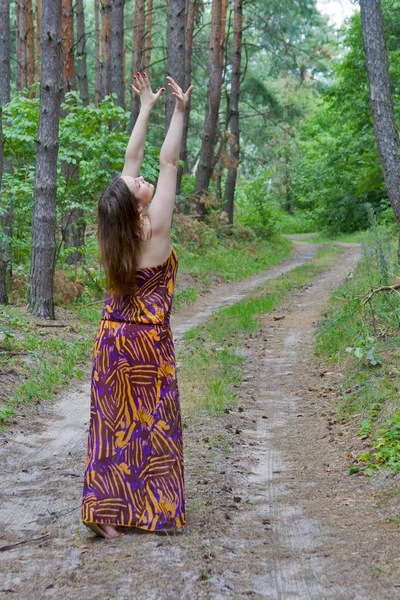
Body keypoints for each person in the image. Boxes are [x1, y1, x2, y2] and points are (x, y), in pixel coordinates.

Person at [81, 73, 194, 539]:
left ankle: (104, 516)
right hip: (147, 344)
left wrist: (146, 107)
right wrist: (180, 112)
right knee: (153, 424)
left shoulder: (115, 238)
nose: (141, 178)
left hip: (111, 340)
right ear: (137, 207)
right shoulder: (157, 229)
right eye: (138, 185)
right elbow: (167, 161)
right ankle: (158, 513)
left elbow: (132, 162)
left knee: (112, 426)